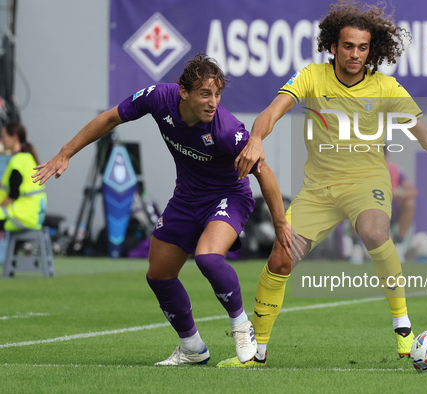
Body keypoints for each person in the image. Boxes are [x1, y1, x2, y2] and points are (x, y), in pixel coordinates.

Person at [218, 0, 427, 368]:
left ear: (372, 49)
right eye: (348, 46)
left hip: (366, 182)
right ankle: (255, 354)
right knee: (280, 259)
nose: (355, 54)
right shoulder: (311, 77)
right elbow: (271, 113)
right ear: (333, 46)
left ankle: (403, 326)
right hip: (318, 189)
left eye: (363, 47)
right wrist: (256, 139)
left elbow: (425, 136)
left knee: (373, 230)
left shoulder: (385, 87)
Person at [32, 53, 300, 366]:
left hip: (229, 196)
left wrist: (281, 225)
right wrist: (65, 153)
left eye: (217, 94)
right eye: (205, 94)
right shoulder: (159, 98)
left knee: (208, 258)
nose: (213, 102)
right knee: (159, 275)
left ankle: (241, 326)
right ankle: (192, 348)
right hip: (186, 198)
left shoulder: (226, 130)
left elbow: (263, 171)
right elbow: (110, 118)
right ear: (183, 92)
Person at [0, 122, 47, 232]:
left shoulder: (18, 161)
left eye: (4, 136)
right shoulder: (28, 158)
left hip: (22, 215)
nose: (2, 140)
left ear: (14, 137)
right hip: (32, 215)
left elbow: (13, 194)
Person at [387, 152, 418, 263]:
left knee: (410, 202)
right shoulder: (367, 169)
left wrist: (399, 194)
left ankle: (399, 244)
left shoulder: (395, 169)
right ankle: (356, 247)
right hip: (372, 207)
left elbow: (413, 191)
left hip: (392, 208)